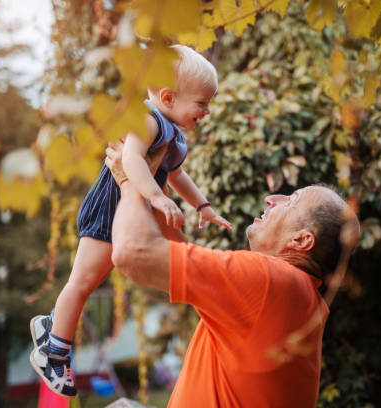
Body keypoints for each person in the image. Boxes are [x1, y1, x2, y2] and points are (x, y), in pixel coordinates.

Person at [29, 45, 231, 397]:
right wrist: (155, 196)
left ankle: (51, 326)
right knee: (83, 280)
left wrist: (204, 206)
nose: (207, 111)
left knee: (91, 278)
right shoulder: (150, 120)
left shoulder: (173, 132)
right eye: (201, 103)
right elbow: (132, 160)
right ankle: (53, 352)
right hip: (109, 204)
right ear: (168, 96)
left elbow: (178, 176)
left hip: (124, 207)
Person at [103, 142, 361, 407]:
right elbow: (177, 258)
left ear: (301, 241)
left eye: (291, 201)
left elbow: (133, 253)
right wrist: (154, 186)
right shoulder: (295, 294)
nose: (272, 198)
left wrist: (128, 181)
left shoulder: (270, 281)